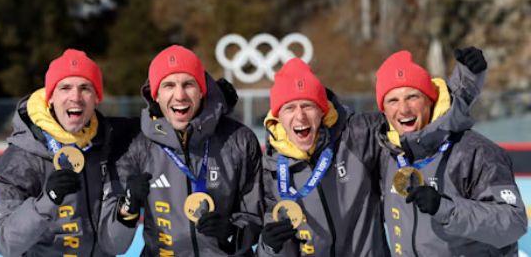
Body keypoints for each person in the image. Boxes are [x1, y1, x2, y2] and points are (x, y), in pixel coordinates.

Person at [258, 51, 488, 256]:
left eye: (308, 106)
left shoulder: (357, 136)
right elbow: (276, 243)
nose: (300, 117)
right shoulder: (271, 168)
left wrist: (468, 78)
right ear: (278, 117)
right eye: (289, 108)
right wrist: (269, 248)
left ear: (322, 111)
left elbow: (425, 114)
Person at [100, 46, 261, 256]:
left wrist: (234, 234)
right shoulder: (136, 144)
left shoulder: (239, 139)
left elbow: (255, 215)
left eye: (188, 84)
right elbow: (113, 245)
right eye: (168, 85)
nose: (179, 95)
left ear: (202, 90)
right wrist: (127, 209)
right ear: (155, 94)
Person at [373, 50, 526, 257]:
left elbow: (514, 223)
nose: (404, 109)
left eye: (412, 97)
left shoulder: (475, 152)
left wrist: (445, 208)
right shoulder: (387, 153)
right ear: (383, 110)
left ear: (430, 100)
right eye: (393, 101)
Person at [0, 50, 135, 256]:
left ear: (96, 98)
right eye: (65, 88)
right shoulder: (22, 155)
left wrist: (127, 213)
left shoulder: (109, 144)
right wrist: (47, 201)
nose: (75, 97)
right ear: (50, 98)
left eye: (85, 88)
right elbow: (2, 241)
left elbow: (115, 245)